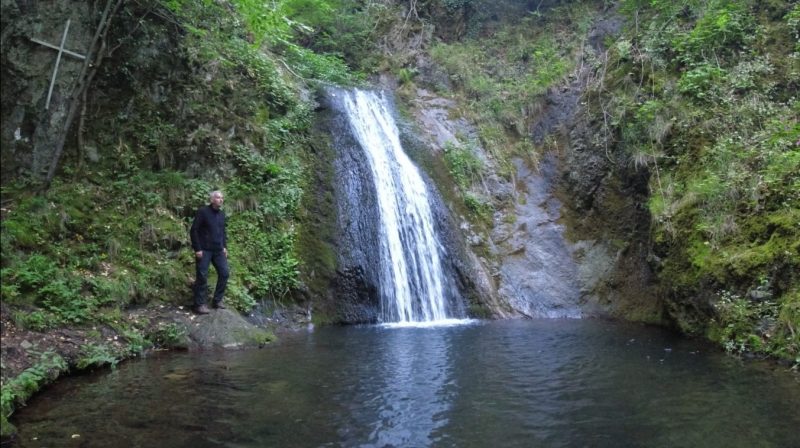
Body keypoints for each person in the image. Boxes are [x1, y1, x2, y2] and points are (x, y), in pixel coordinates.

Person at [190, 190, 229, 314]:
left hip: (218, 250)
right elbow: (194, 230)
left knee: (224, 273)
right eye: (218, 197)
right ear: (212, 199)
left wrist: (224, 247)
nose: (221, 200)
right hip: (204, 250)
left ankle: (217, 300)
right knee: (202, 276)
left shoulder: (222, 214)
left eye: (222, 198)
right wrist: (197, 249)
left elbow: (222, 232)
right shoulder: (203, 212)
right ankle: (199, 304)